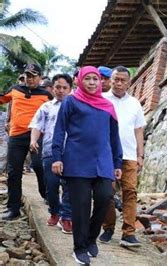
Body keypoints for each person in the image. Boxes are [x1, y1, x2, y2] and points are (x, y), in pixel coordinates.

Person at [51, 66, 122, 264]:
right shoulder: (71, 102)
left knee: (104, 197)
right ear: (80, 81)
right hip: (77, 161)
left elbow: (114, 137)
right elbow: (59, 130)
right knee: (80, 206)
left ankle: (91, 238)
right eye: (88, 79)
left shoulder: (107, 105)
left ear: (101, 82)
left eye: (95, 79)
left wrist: (117, 162)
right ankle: (79, 247)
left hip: (103, 161)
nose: (92, 82)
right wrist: (57, 156)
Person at [100, 66, 145, 247]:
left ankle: (128, 233)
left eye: (122, 80)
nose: (119, 83)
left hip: (129, 155)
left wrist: (140, 155)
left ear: (129, 82)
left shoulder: (135, 103)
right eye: (115, 79)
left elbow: (139, 130)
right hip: (106, 155)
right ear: (110, 80)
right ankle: (108, 228)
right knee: (106, 192)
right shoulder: (102, 100)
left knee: (130, 192)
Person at [0, 63, 52, 220]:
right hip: (16, 136)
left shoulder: (46, 95)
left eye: (33, 76)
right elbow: (2, 99)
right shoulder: (15, 90)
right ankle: (13, 208)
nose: (30, 79)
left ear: (40, 78)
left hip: (36, 136)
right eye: (28, 76)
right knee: (14, 172)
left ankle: (48, 196)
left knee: (38, 166)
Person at [29, 73, 73, 234]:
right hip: (49, 151)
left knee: (69, 185)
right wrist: (33, 140)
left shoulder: (75, 106)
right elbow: (37, 125)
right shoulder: (46, 107)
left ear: (70, 89)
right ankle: (55, 212)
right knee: (52, 185)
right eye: (58, 87)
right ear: (52, 89)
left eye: (64, 88)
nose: (61, 91)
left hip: (71, 151)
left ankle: (67, 217)